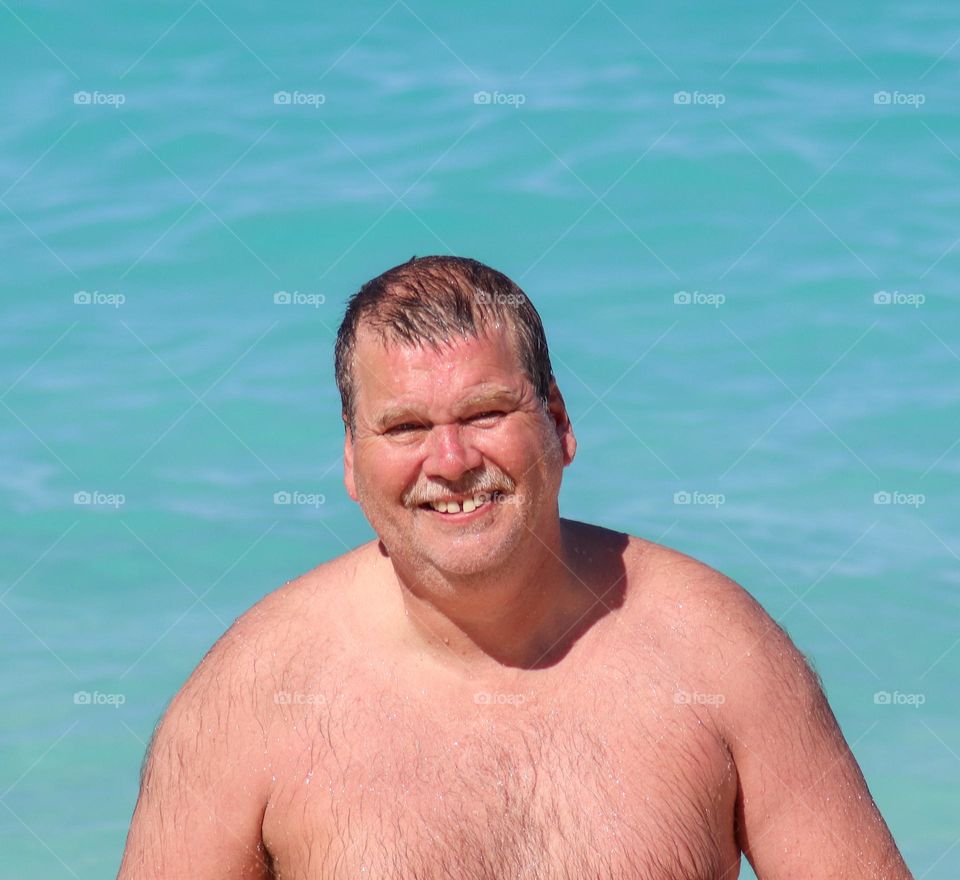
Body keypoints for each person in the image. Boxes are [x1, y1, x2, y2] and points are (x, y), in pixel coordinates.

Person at [118, 255, 913, 879]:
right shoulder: (249, 698)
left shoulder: (717, 651)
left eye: (486, 413)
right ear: (353, 463)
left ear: (558, 424)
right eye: (404, 427)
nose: (452, 459)